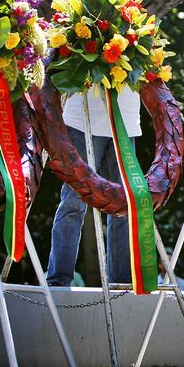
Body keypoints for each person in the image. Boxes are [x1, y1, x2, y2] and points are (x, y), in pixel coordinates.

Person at [46, 87, 140, 286]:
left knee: (123, 208)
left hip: (125, 122)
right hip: (82, 119)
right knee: (73, 203)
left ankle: (121, 281)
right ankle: (58, 279)